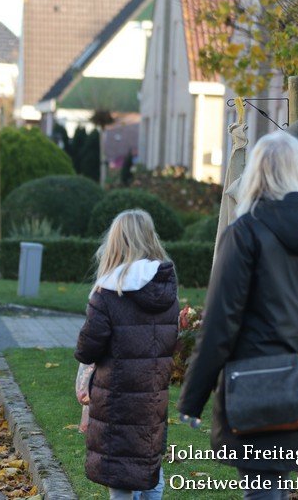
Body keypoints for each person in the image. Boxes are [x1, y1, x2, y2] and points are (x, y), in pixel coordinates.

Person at [178, 131, 298, 499]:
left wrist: (193, 397)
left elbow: (220, 324)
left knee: (263, 489)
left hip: (260, 384)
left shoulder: (245, 233)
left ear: (256, 172)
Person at [74, 209, 177, 499]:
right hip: (153, 393)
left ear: (115, 242)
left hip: (116, 397)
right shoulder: (166, 288)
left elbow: (88, 348)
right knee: (150, 465)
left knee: (119, 476)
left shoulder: (108, 290)